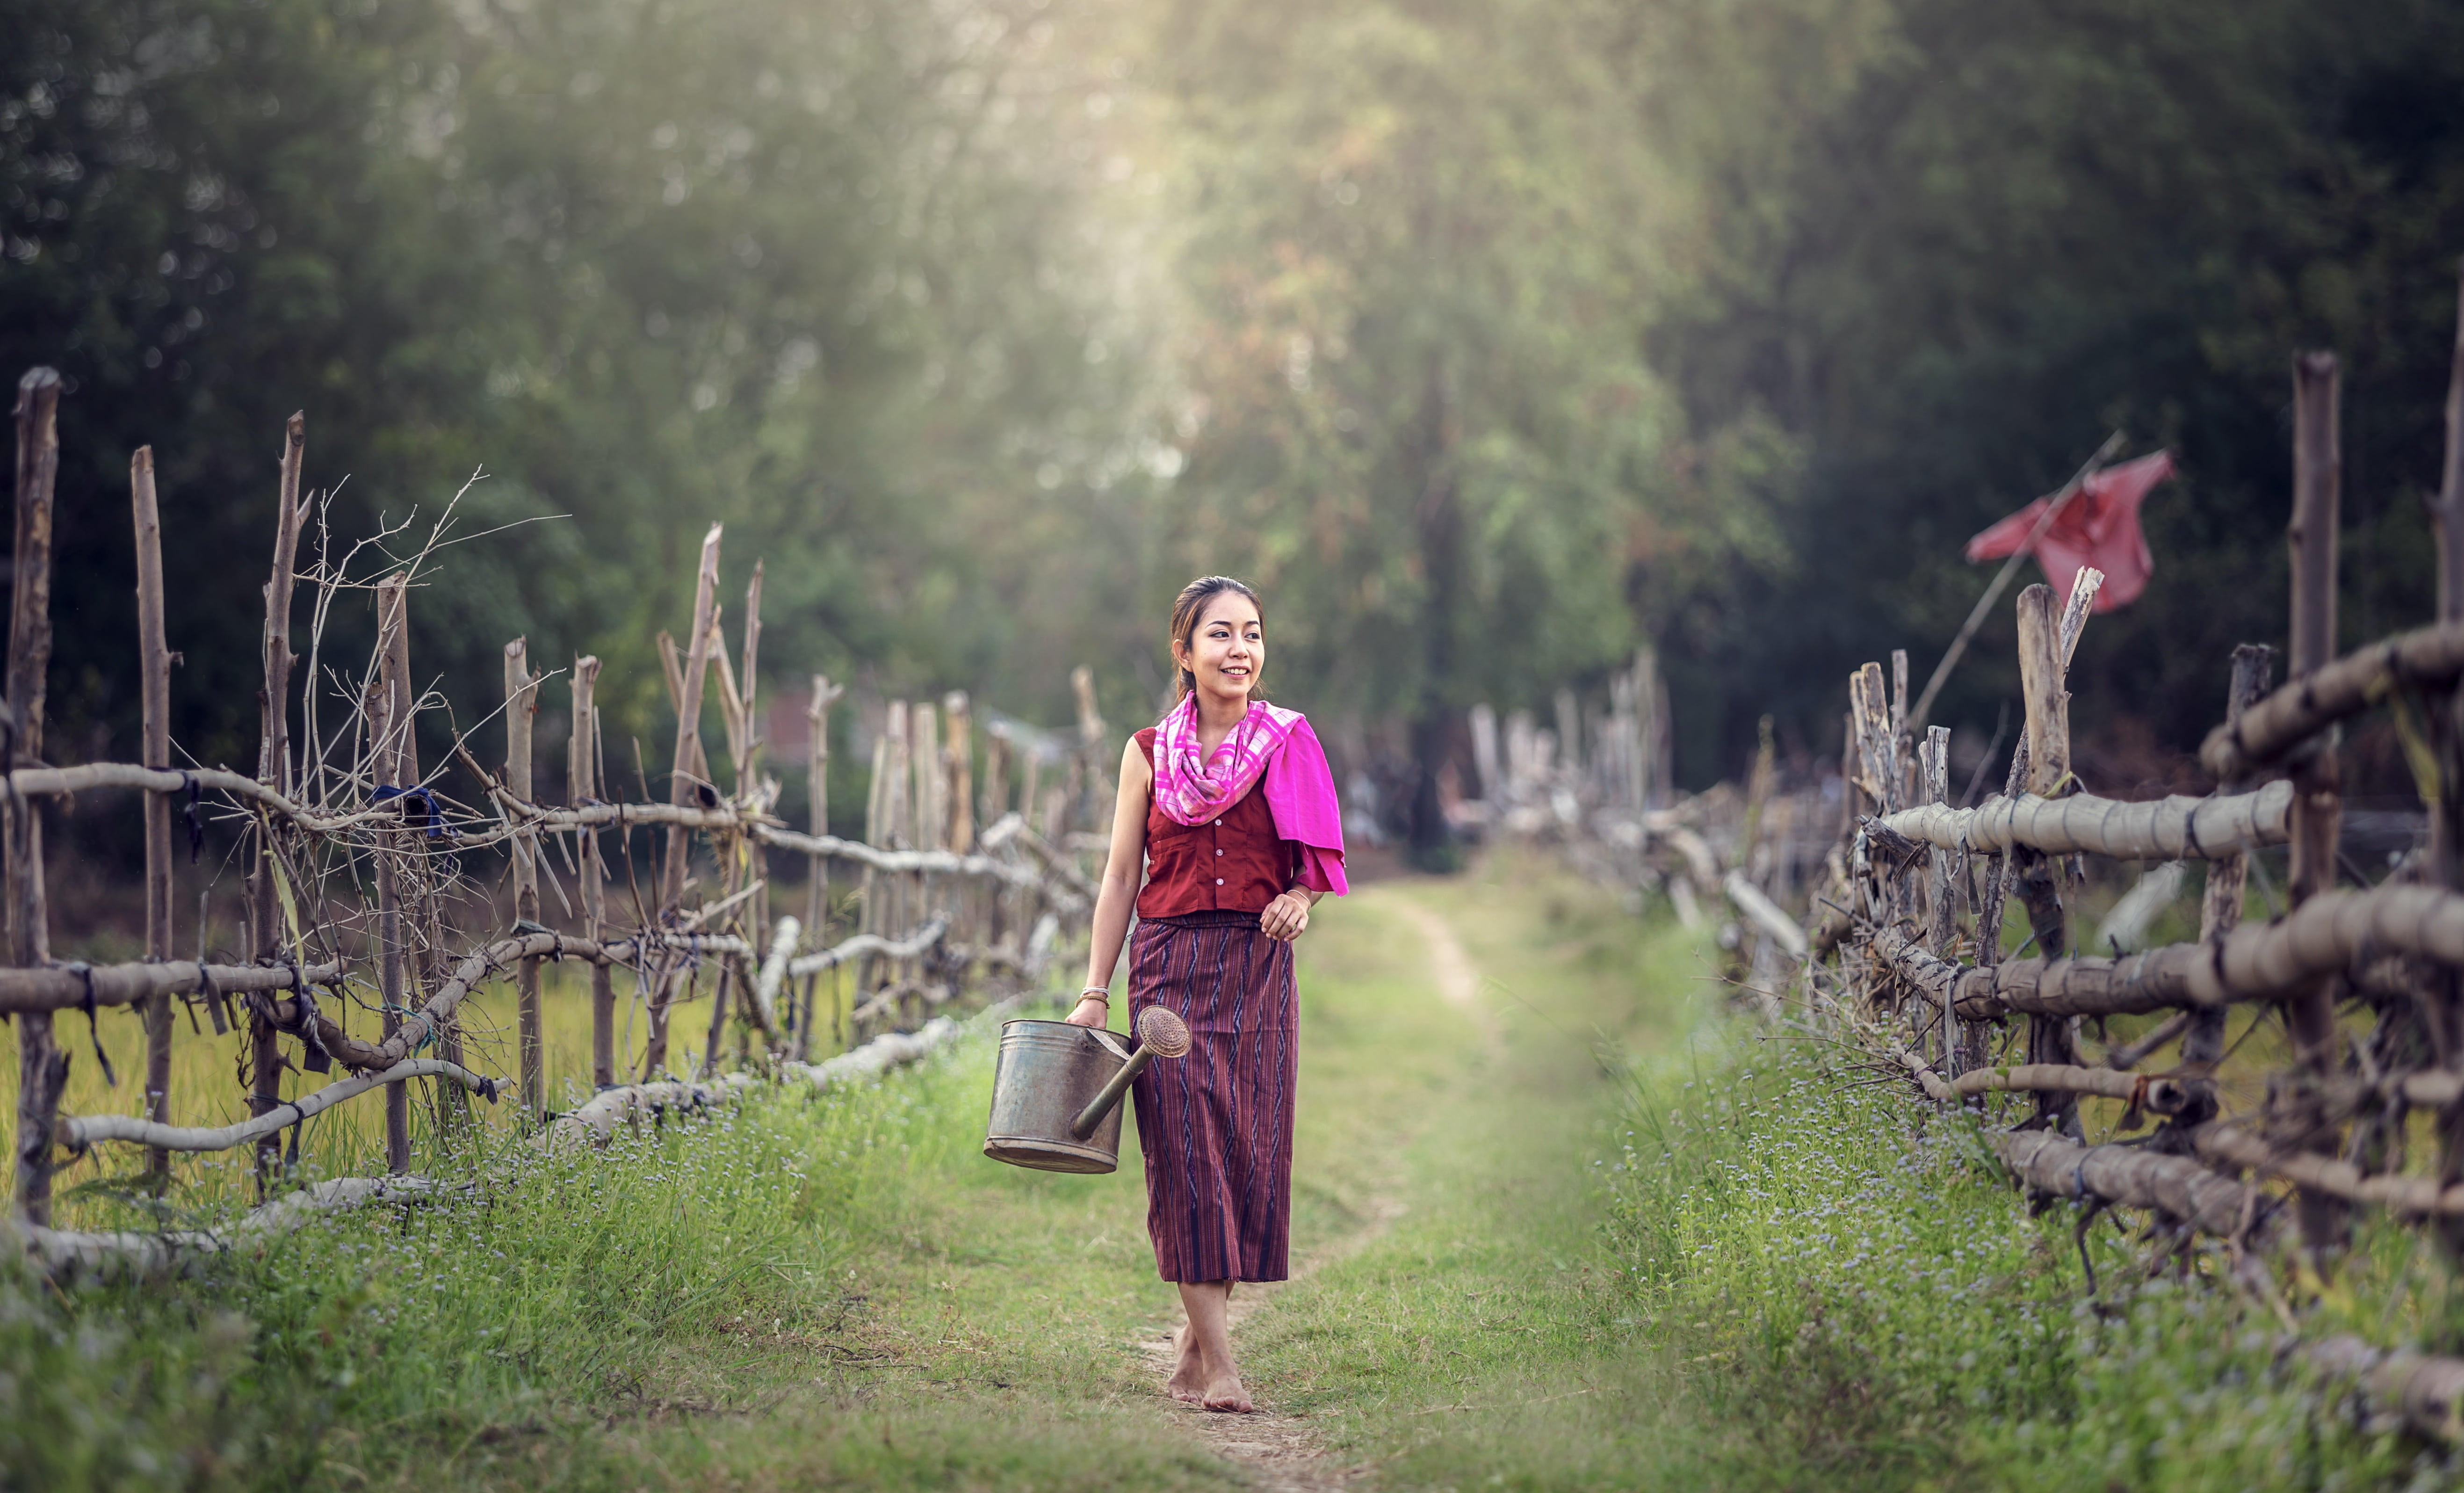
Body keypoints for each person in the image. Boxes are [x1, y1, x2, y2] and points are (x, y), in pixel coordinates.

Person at [1066, 575, 1347, 1414]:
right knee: (1186, 1160)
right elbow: (1121, 875)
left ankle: (1193, 1352)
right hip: (1167, 975)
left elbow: (1314, 866)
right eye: (1220, 635)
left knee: (1245, 1158)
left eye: (1252, 634)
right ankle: (1223, 1366)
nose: (1240, 651)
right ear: (1184, 653)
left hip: (1256, 972)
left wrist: (1299, 900)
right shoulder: (1148, 751)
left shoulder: (1289, 740)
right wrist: (1093, 991)